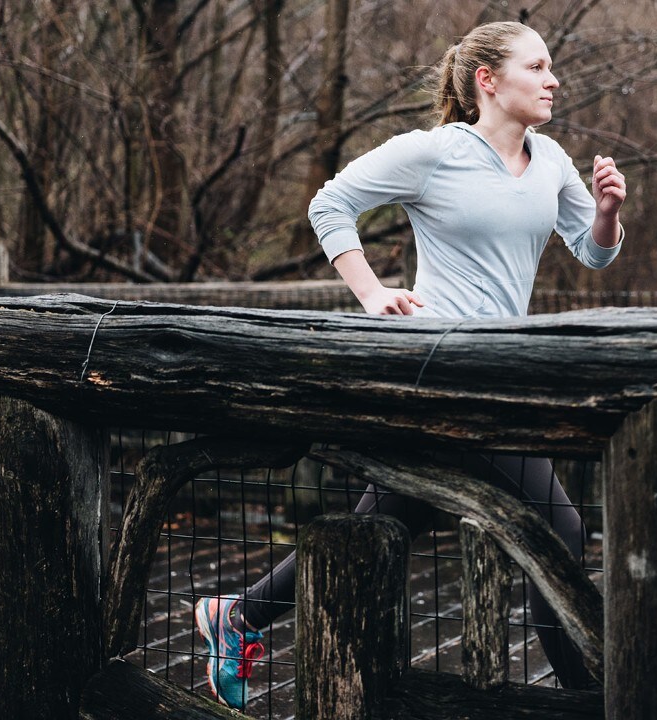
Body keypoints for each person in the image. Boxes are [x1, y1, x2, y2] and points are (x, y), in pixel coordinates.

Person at [195, 20, 625, 709]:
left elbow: (594, 250)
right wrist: (371, 293)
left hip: (497, 381)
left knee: (383, 525)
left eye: (552, 68)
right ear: (489, 80)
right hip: (434, 375)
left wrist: (605, 213)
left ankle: (238, 614)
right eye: (537, 67)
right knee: (559, 534)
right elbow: (330, 202)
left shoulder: (550, 161)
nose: (553, 80)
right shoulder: (432, 152)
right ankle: (593, 703)